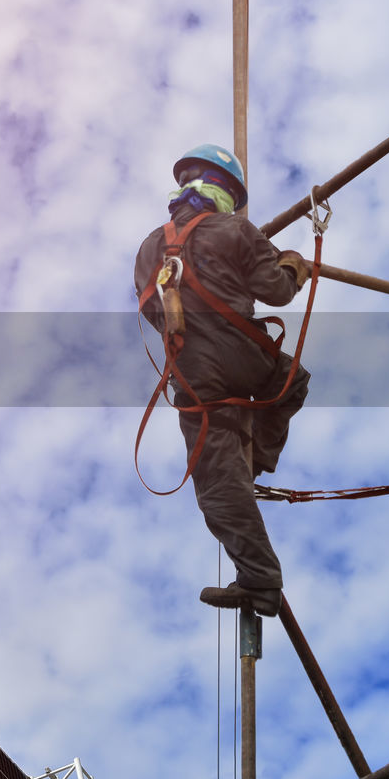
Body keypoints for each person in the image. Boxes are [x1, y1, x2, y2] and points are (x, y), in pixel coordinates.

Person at [134, 144, 312, 617]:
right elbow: (276, 289)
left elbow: (153, 312)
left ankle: (259, 580)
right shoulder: (235, 229)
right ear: (227, 195)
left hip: (195, 373)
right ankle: (254, 460)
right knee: (290, 383)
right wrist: (294, 264)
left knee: (217, 482)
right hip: (246, 357)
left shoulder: (149, 247)